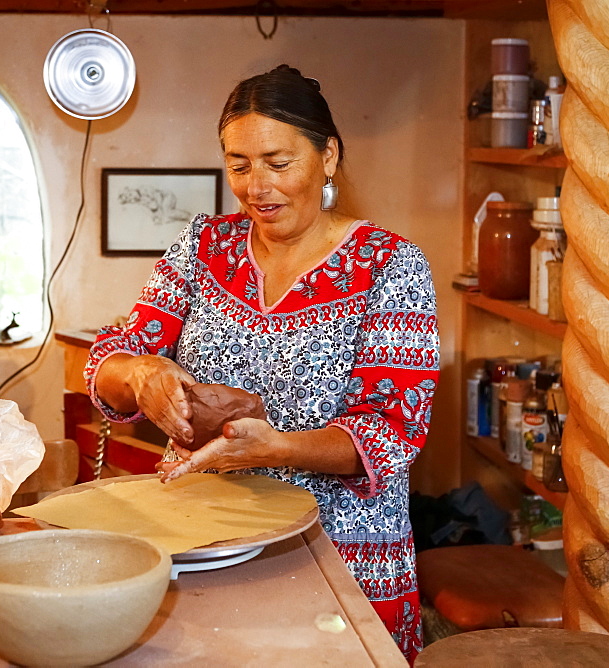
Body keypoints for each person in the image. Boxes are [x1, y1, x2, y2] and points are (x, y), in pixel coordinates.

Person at [84, 64, 439, 663]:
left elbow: (390, 431)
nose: (257, 187)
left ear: (328, 157)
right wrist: (141, 375)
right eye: (239, 165)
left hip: (342, 553)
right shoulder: (202, 248)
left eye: (278, 164)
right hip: (205, 539)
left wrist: (275, 448)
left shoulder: (389, 266)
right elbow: (109, 360)